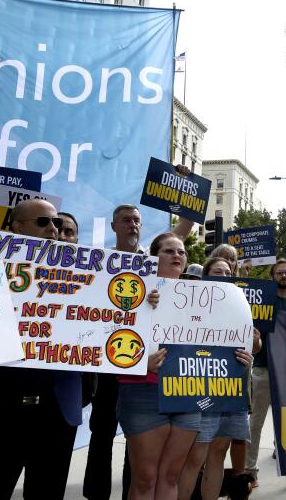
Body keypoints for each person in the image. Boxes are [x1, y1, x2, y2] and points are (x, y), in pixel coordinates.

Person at [0, 199, 81, 499]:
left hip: (55, 411)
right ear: (17, 227)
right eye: (44, 222)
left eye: (57, 224)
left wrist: (144, 305)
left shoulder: (83, 274)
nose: (54, 229)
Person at [84, 202, 194, 500]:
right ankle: (96, 493)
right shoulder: (103, 262)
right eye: (126, 220)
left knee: (145, 468)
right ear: (114, 226)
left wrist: (186, 205)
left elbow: (175, 240)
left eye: (137, 220)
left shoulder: (149, 264)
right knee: (103, 432)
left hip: (160, 380)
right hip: (114, 368)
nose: (133, 225)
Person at [115, 232, 199, 500]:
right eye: (169, 251)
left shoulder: (202, 297)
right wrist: (141, 363)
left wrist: (249, 346)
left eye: (182, 252)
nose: (177, 255)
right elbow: (107, 340)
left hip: (188, 393)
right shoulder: (130, 290)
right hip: (144, 392)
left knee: (171, 475)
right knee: (145, 478)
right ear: (154, 257)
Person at [178, 256, 257, 500]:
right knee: (196, 456)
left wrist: (252, 350)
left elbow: (255, 343)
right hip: (202, 389)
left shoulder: (242, 305)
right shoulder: (192, 305)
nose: (222, 276)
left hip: (232, 389)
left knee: (219, 452)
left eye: (226, 272)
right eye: (216, 272)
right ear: (205, 276)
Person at [245, 259, 286, 488]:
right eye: (279, 272)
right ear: (272, 276)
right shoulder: (263, 300)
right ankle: (250, 471)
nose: (284, 276)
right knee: (256, 423)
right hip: (263, 369)